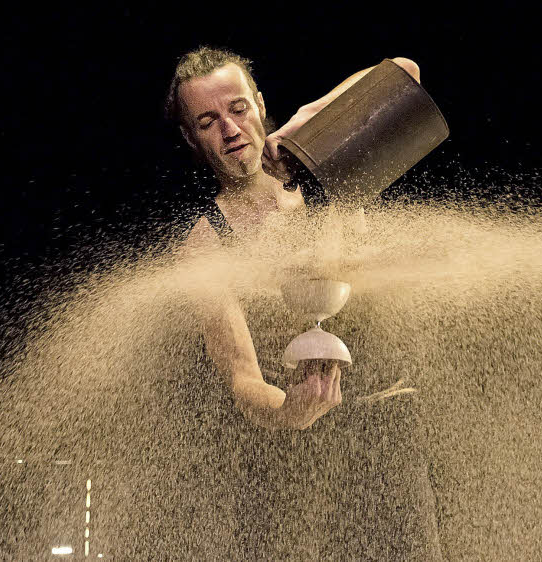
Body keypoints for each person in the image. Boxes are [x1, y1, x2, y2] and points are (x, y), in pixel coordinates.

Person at [164, 46, 442, 559]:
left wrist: (305, 121)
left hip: (390, 434)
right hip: (294, 460)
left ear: (261, 105)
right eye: (208, 120)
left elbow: (405, 72)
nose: (229, 128)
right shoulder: (206, 245)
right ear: (191, 137)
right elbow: (242, 379)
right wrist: (290, 413)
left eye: (238, 108)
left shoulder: (319, 163)